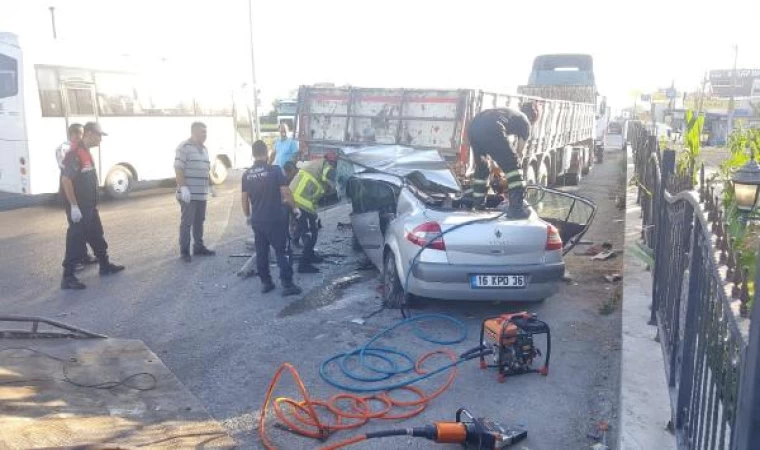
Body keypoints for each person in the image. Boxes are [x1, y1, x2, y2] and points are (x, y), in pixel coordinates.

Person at [60, 122, 125, 290]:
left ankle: (105, 265)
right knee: (76, 239)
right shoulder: (74, 154)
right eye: (99, 136)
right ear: (89, 134)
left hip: (89, 206)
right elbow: (66, 180)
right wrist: (74, 207)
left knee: (96, 234)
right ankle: (68, 277)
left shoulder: (86, 152)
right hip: (79, 207)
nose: (100, 140)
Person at [242, 140, 302, 297]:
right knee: (283, 251)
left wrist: (247, 216)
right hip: (276, 219)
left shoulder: (247, 174)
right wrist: (295, 209)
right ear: (267, 153)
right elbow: (286, 192)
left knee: (262, 252)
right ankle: (287, 284)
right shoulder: (274, 170)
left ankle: (266, 283)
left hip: (258, 221)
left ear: (253, 154)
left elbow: (244, 198)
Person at [466, 103, 540, 218]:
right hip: (492, 126)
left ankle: (478, 206)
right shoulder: (526, 122)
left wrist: (497, 164)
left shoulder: (511, 114)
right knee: (514, 166)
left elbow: (496, 146)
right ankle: (516, 209)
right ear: (533, 118)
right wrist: (509, 172)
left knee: (483, 168)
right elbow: (518, 153)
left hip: (474, 125)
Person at [56, 123, 97, 267]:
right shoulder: (66, 149)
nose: (81, 137)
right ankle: (72, 262)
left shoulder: (80, 148)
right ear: (72, 134)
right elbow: (67, 174)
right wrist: (73, 205)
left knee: (82, 228)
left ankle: (83, 255)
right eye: (79, 134)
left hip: (79, 193)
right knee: (75, 229)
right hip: (70, 193)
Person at [283, 156, 334, 273]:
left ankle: (310, 255)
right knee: (310, 234)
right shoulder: (326, 166)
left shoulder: (318, 165)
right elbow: (328, 177)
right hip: (299, 203)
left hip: (302, 203)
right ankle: (303, 265)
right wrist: (334, 185)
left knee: (313, 231)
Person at [174, 122, 216, 262]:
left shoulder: (204, 149)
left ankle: (198, 247)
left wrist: (211, 185)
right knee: (187, 222)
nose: (205, 135)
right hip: (189, 194)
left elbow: (206, 169)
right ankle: (184, 251)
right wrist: (183, 188)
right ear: (194, 132)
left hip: (201, 194)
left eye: (206, 132)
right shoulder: (184, 147)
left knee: (199, 221)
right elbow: (178, 169)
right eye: (202, 132)